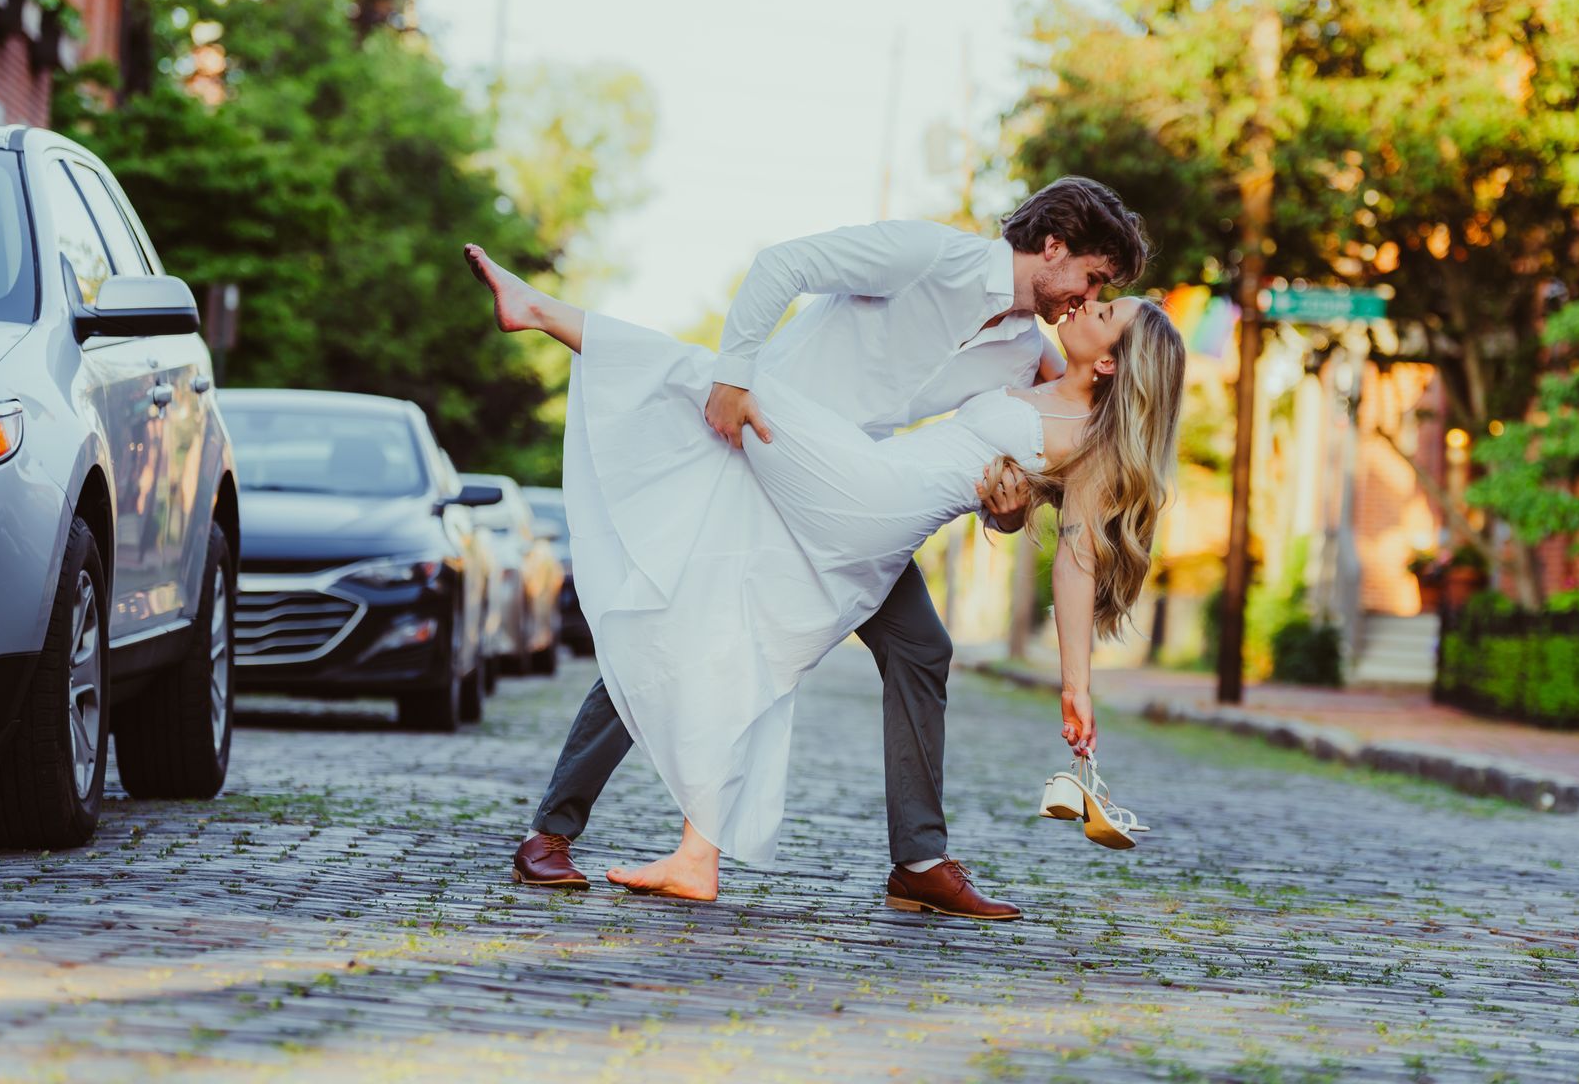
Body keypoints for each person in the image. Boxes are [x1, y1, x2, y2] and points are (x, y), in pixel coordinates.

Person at [488, 178, 1172, 918]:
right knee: (695, 625)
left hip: (854, 494)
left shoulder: (1026, 354)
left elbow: (1047, 488)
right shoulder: (927, 255)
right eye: (1094, 280)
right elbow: (781, 266)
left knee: (916, 648)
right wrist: (735, 373)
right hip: (764, 445)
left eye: (1103, 297)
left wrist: (1007, 518)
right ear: (1053, 247)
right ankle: (579, 836)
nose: (1086, 299)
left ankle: (920, 859)